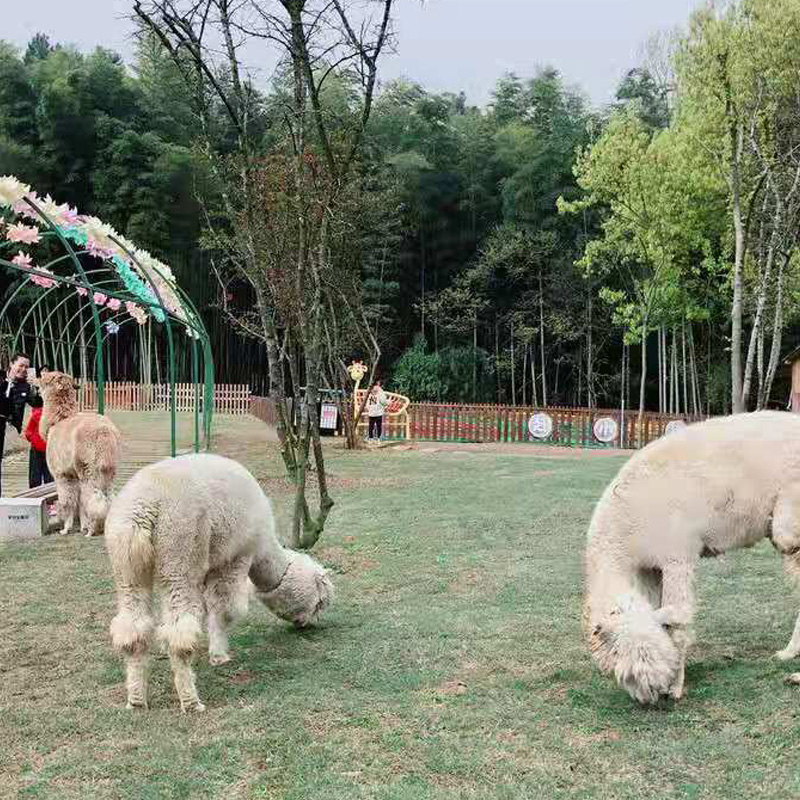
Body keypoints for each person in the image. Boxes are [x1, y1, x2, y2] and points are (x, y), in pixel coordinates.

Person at [0, 352, 37, 495]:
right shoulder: (1, 379)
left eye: (26, 367)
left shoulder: (25, 387)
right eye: (21, 365)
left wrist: (37, 387)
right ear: (12, 364)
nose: (23, 369)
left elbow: (36, 403)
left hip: (8, 428)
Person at [25, 364, 53, 488]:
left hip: (38, 444)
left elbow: (28, 431)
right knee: (48, 471)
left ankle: (35, 491)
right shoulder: (35, 384)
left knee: (35, 472)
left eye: (47, 371)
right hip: (47, 444)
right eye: (43, 371)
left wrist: (31, 438)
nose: (44, 373)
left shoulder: (49, 385)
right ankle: (50, 491)